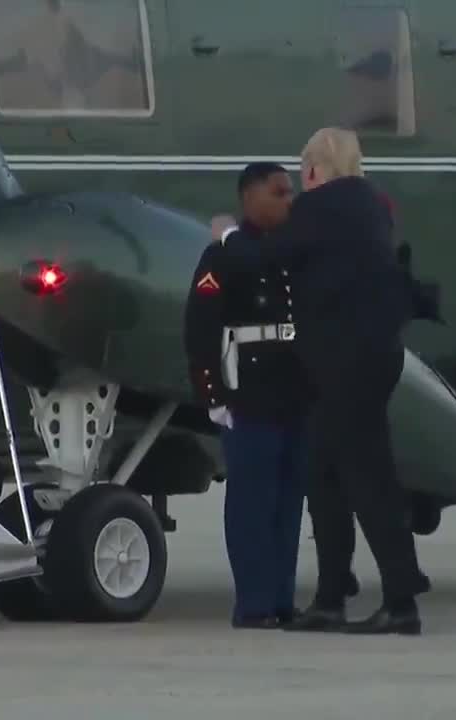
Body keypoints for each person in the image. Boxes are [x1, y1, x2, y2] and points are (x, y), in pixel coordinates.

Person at [211, 127, 429, 635]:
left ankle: (400, 601)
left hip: (347, 365)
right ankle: (331, 596)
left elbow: (264, 256)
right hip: (368, 359)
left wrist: (225, 234)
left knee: (366, 478)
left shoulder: (322, 207)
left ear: (312, 169)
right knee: (325, 477)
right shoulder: (371, 204)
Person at [184, 161, 312, 629]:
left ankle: (282, 597)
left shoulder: (292, 249)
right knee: (252, 504)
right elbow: (200, 329)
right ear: (250, 198)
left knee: (289, 501)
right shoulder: (221, 257)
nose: (289, 199)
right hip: (248, 393)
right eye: (279, 192)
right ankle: (254, 602)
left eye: (290, 191)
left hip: (294, 390)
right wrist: (212, 392)